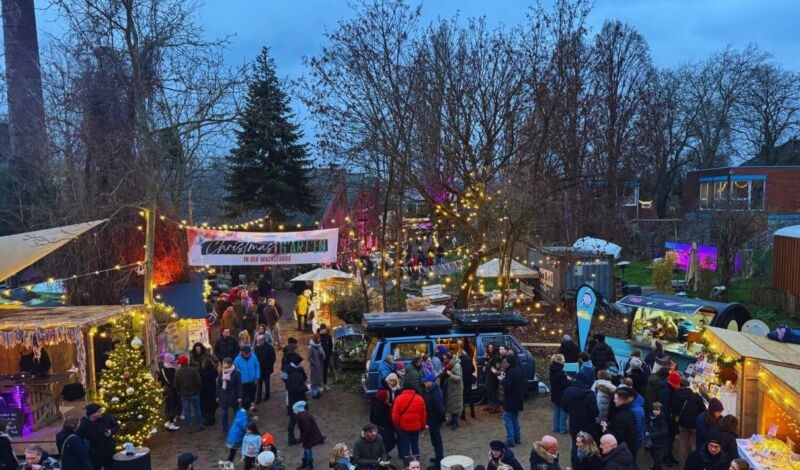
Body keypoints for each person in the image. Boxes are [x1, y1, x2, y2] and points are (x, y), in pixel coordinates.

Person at [560, 373, 598, 469]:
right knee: (588, 444)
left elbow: (563, 407)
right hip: (588, 424)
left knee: (575, 444)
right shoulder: (590, 394)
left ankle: (575, 465)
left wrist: (572, 412)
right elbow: (595, 412)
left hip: (574, 423)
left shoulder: (567, 391)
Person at [672, 378, 705, 468]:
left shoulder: (675, 394)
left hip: (682, 423)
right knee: (693, 444)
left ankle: (682, 466)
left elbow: (674, 409)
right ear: (688, 386)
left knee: (683, 444)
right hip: (694, 424)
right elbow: (703, 409)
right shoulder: (694, 395)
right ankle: (692, 466)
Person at [391, 383, 426, 463]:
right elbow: (423, 415)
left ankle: (407, 464)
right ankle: (416, 464)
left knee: (405, 446)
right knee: (415, 445)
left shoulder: (398, 399)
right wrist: (423, 427)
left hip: (403, 427)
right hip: (416, 427)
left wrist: (397, 425)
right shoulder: (420, 398)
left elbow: (395, 416)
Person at [77, 403, 118, 470]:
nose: (101, 413)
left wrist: (110, 431)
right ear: (92, 414)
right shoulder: (84, 425)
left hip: (109, 452)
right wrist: (91, 451)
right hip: (95, 455)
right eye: (98, 412)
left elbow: (116, 426)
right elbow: (80, 439)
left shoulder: (106, 417)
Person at [174, 355, 204, 433]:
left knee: (187, 412)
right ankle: (199, 425)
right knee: (197, 410)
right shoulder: (193, 370)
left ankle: (189, 427)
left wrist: (179, 392)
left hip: (184, 395)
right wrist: (197, 390)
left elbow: (176, 385)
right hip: (194, 393)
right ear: (187, 362)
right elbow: (199, 382)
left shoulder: (178, 372)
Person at [295, 401, 326, 470]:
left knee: (308, 449)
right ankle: (305, 463)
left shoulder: (303, 417)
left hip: (309, 436)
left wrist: (304, 438)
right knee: (306, 449)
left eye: (295, 409)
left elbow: (307, 429)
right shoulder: (304, 414)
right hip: (309, 436)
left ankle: (309, 465)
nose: (294, 411)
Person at [423, 374, 445, 470]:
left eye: (426, 381)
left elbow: (440, 408)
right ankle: (438, 458)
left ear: (431, 382)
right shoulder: (433, 390)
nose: (424, 383)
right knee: (435, 440)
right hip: (433, 419)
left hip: (434, 420)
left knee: (436, 440)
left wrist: (442, 419)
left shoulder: (435, 393)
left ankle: (439, 462)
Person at [286, 355, 309, 446]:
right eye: (301, 361)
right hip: (298, 401)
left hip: (293, 400)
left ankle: (292, 438)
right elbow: (296, 388)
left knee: (294, 420)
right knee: (302, 419)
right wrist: (306, 388)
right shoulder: (296, 375)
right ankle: (305, 436)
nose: (303, 363)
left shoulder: (292, 372)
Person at [218, 357, 244, 435]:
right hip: (224, 396)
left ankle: (239, 429)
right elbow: (219, 385)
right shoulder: (221, 372)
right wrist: (217, 395)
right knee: (224, 414)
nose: (222, 365)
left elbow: (239, 386)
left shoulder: (236, 373)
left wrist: (240, 396)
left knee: (237, 413)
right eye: (222, 363)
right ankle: (225, 430)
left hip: (233, 397)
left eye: (224, 363)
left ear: (229, 364)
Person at [370, 390, 397, 457]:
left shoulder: (379, 404)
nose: (389, 397)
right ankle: (383, 454)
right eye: (387, 396)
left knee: (387, 441)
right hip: (385, 427)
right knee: (388, 441)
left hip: (383, 427)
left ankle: (384, 453)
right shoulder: (382, 407)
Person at [548, 354, 571, 435]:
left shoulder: (552, 370)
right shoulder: (561, 372)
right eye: (563, 359)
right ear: (560, 361)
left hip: (555, 393)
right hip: (562, 394)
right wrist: (569, 380)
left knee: (556, 411)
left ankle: (555, 427)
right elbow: (565, 384)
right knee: (563, 412)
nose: (564, 361)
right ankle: (562, 429)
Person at [158, 353, 181, 431]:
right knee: (172, 406)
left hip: (165, 389)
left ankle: (167, 421)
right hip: (172, 390)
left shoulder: (162, 369)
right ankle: (171, 423)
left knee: (167, 405)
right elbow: (174, 381)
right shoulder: (172, 369)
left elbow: (159, 379)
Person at [645, 401, 668, 470]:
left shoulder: (662, 420)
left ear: (661, 411)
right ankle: (655, 468)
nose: (655, 411)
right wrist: (646, 430)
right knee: (653, 455)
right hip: (652, 442)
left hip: (659, 443)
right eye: (654, 409)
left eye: (658, 410)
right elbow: (647, 423)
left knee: (658, 459)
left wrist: (651, 435)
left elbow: (664, 431)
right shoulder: (650, 417)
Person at [254, 334, 277, 403]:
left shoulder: (270, 348)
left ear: (262, 341)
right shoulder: (257, 348)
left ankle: (267, 395)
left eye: (258, 341)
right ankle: (258, 398)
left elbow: (273, 358)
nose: (257, 342)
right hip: (260, 369)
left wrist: (269, 366)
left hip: (267, 369)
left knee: (267, 383)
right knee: (259, 384)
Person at [444, 351, 463, 429]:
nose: (444, 359)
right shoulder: (450, 365)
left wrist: (450, 374)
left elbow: (458, 378)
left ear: (449, 359)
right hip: (452, 388)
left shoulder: (456, 366)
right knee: (452, 405)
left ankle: (456, 423)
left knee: (456, 405)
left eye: (445, 358)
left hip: (456, 389)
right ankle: (452, 420)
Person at [200, 355, 219, 426]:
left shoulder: (202, 372)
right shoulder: (214, 371)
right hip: (212, 390)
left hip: (204, 391)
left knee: (206, 407)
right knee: (212, 406)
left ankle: (208, 420)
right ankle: (212, 419)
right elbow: (216, 378)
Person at [458, 350, 476, 420]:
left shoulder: (459, 361)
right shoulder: (469, 360)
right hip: (469, 380)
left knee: (462, 398)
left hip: (463, 380)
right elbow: (473, 369)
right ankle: (473, 413)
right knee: (470, 396)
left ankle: (463, 415)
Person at [308, 334, 326, 399]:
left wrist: (322, 354)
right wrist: (315, 364)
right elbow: (309, 358)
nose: (319, 339)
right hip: (314, 367)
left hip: (320, 365)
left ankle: (317, 392)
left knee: (318, 380)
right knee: (314, 381)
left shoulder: (319, 346)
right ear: (315, 339)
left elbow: (322, 355)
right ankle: (314, 394)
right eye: (318, 338)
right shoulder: (310, 347)